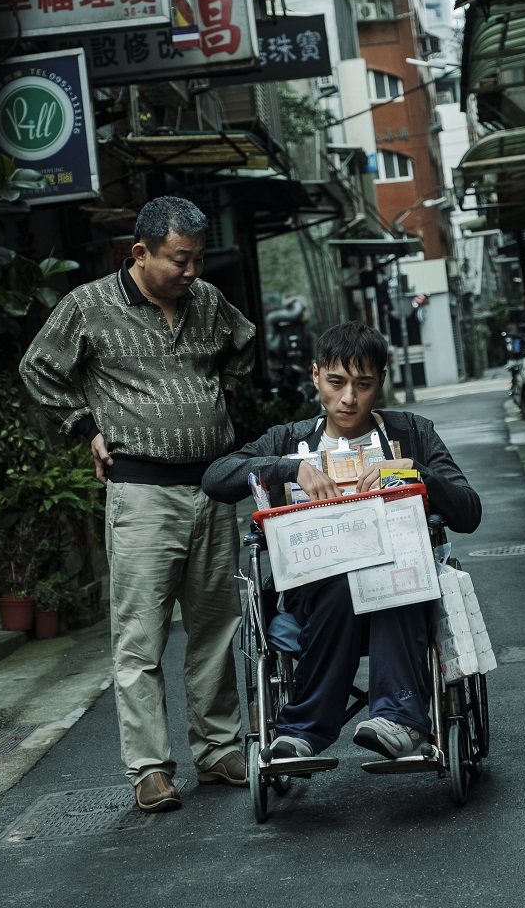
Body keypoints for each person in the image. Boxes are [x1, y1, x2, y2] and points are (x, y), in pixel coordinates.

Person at [19, 196, 256, 813]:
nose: (192, 272)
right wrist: (84, 427)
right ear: (140, 253)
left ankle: (218, 748)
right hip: (142, 492)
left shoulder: (207, 301)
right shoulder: (88, 305)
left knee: (215, 628)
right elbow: (38, 368)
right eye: (180, 260)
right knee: (140, 636)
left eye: (198, 259)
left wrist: (218, 397)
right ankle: (150, 767)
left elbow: (243, 344)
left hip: (212, 487)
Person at [203, 321, 481, 760]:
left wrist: (415, 472)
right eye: (336, 382)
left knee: (391, 576)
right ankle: (306, 730)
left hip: (401, 586)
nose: (349, 398)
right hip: (318, 593)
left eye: (363, 384)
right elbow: (216, 478)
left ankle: (397, 719)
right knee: (342, 583)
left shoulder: (411, 433)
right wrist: (289, 468)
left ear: (380, 382)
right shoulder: (289, 441)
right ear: (316, 377)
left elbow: (469, 511)